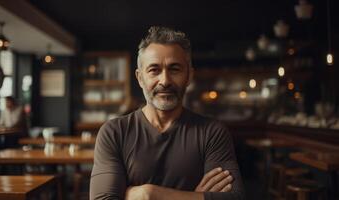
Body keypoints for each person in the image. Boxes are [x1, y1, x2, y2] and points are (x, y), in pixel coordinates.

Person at [90, 26, 245, 200]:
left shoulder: (212, 132)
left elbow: (234, 198)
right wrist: (194, 197)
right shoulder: (114, 132)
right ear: (140, 78)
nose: (165, 81)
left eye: (174, 69)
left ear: (189, 76)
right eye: (154, 70)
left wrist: (149, 194)